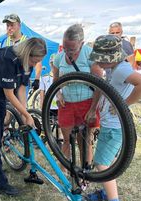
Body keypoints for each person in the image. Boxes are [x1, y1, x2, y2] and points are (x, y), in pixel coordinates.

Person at [88, 35, 141, 201]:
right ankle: (107, 191)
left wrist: (122, 105)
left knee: (101, 164)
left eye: (99, 57)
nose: (96, 61)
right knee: (109, 163)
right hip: (111, 125)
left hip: (113, 127)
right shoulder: (115, 69)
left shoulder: (121, 69)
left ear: (109, 57)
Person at [0, 38, 47, 196]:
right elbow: (9, 93)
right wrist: (27, 115)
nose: (35, 64)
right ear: (27, 53)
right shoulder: (7, 58)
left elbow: (21, 89)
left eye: (38, 61)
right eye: (35, 60)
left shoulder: (27, 62)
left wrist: (24, 113)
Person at [52, 24, 102, 168]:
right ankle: (65, 173)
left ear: (82, 43)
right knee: (66, 140)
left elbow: (100, 85)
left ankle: (85, 174)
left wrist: (93, 109)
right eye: (65, 47)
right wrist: (58, 93)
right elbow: (55, 81)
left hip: (87, 103)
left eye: (72, 49)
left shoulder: (90, 55)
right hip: (66, 104)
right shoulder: (59, 58)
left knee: (85, 141)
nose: (68, 52)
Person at [2, 13, 42, 91]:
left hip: (22, 84)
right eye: (7, 25)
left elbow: (37, 62)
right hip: (7, 84)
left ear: (19, 26)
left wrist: (37, 79)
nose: (9, 28)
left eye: (12, 25)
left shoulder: (28, 42)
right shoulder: (4, 42)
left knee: (21, 103)